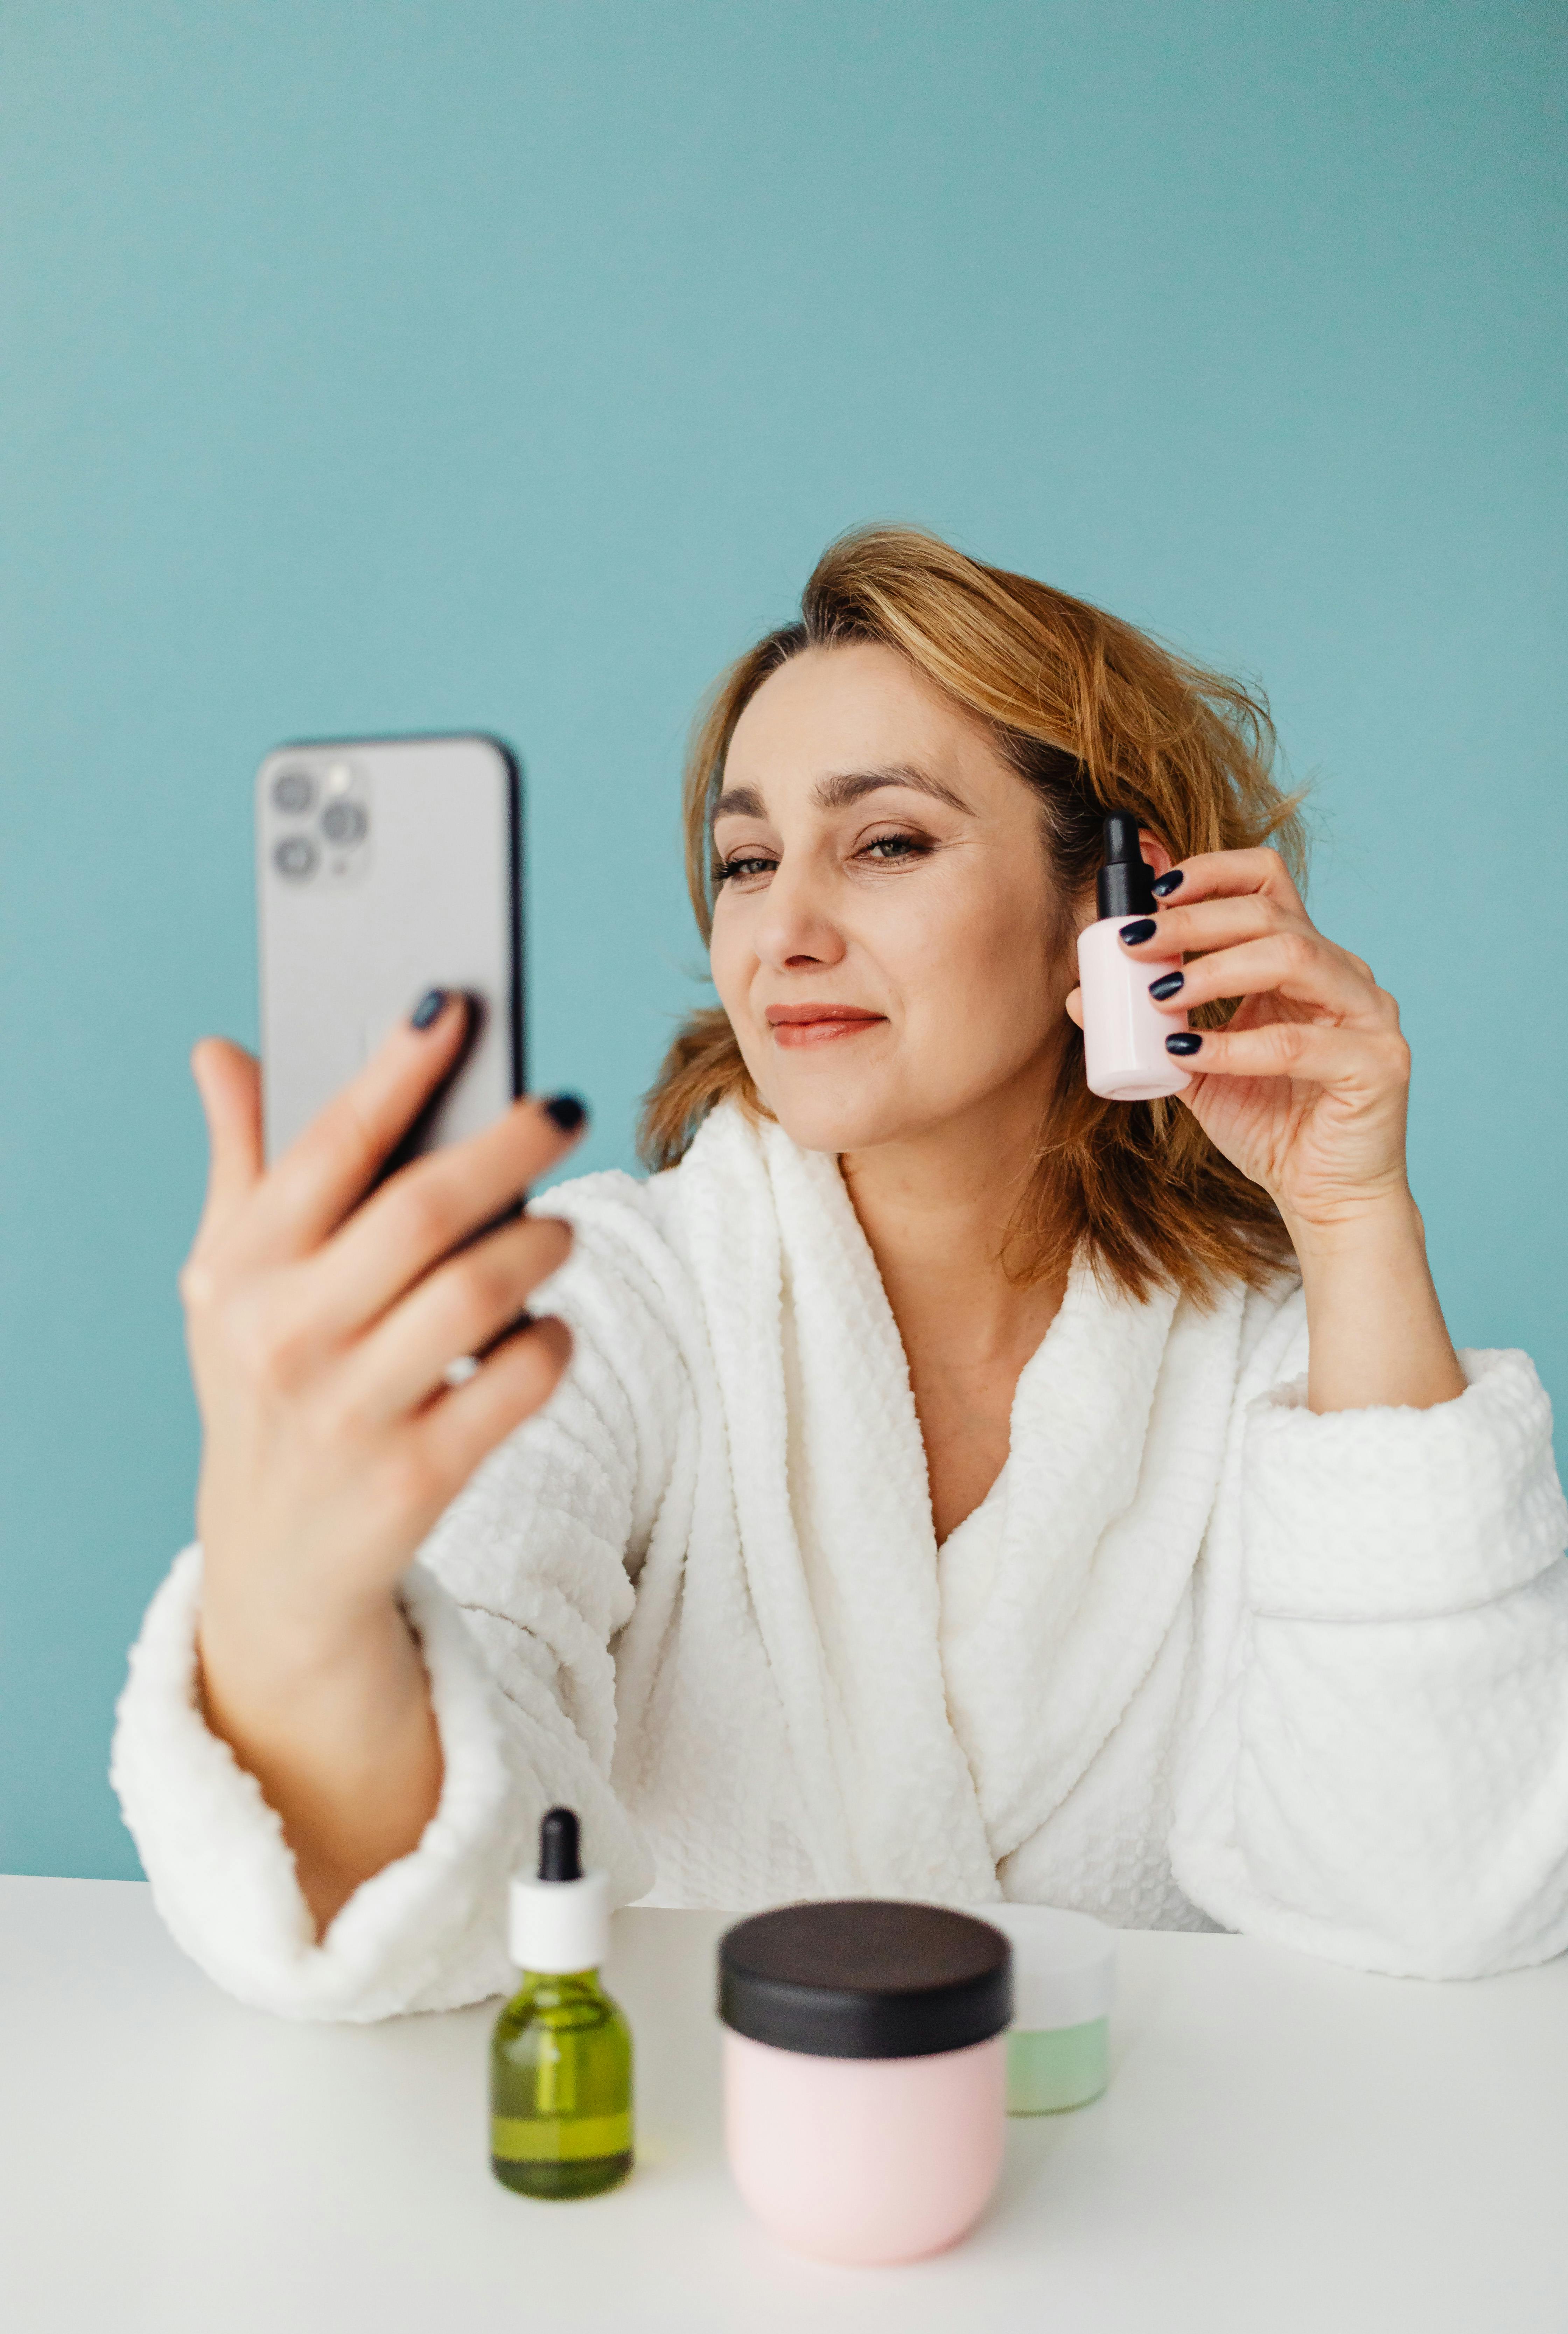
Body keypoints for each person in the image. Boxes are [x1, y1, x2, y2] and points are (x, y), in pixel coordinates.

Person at [113, 528, 1568, 2021]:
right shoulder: (616, 1302)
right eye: (747, 863)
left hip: (1145, 2210)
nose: (783, 935)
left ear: (1109, 913)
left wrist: (1351, 1217)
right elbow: (438, 1862)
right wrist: (291, 1603)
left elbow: (1441, 1897)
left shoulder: (1273, 1371)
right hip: (698, 2182)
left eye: (884, 843)